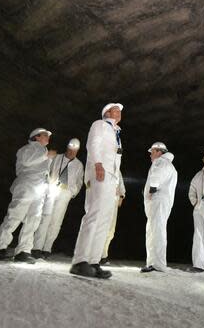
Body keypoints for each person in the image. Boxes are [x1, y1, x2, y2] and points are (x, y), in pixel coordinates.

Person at [70, 103, 124, 279]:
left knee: (105, 220)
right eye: (116, 110)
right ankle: (80, 261)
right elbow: (93, 144)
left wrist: (116, 183)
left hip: (111, 178)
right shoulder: (99, 125)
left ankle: (93, 262)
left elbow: (117, 160)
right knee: (94, 215)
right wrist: (98, 164)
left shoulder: (117, 132)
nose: (120, 112)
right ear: (107, 113)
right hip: (99, 172)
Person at [0, 128, 56, 264]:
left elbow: (43, 170)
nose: (48, 137)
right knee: (15, 216)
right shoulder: (26, 149)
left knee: (34, 219)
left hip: (39, 188)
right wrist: (46, 156)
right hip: (26, 185)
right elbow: (26, 162)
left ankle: (23, 251)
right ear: (36, 137)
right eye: (45, 135)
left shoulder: (44, 152)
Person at [31, 138, 84, 259]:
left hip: (65, 194)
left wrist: (71, 192)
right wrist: (48, 182)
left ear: (77, 150)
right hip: (51, 190)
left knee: (56, 222)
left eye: (74, 150)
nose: (72, 152)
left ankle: (47, 248)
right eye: (70, 149)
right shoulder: (57, 158)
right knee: (45, 218)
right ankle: (36, 247)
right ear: (67, 147)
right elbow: (47, 170)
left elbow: (79, 182)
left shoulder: (79, 165)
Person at [141, 142, 178, 273]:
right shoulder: (169, 165)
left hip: (158, 200)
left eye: (152, 151)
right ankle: (153, 262)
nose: (150, 154)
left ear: (159, 151)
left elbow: (156, 175)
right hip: (161, 202)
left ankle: (158, 264)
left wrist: (152, 188)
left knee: (156, 231)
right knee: (153, 230)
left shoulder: (161, 162)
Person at [100, 171, 125, 265]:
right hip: (103, 201)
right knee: (100, 228)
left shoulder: (117, 168)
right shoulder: (103, 166)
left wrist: (121, 196)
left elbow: (121, 183)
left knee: (110, 231)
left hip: (114, 201)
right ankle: (94, 255)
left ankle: (103, 255)